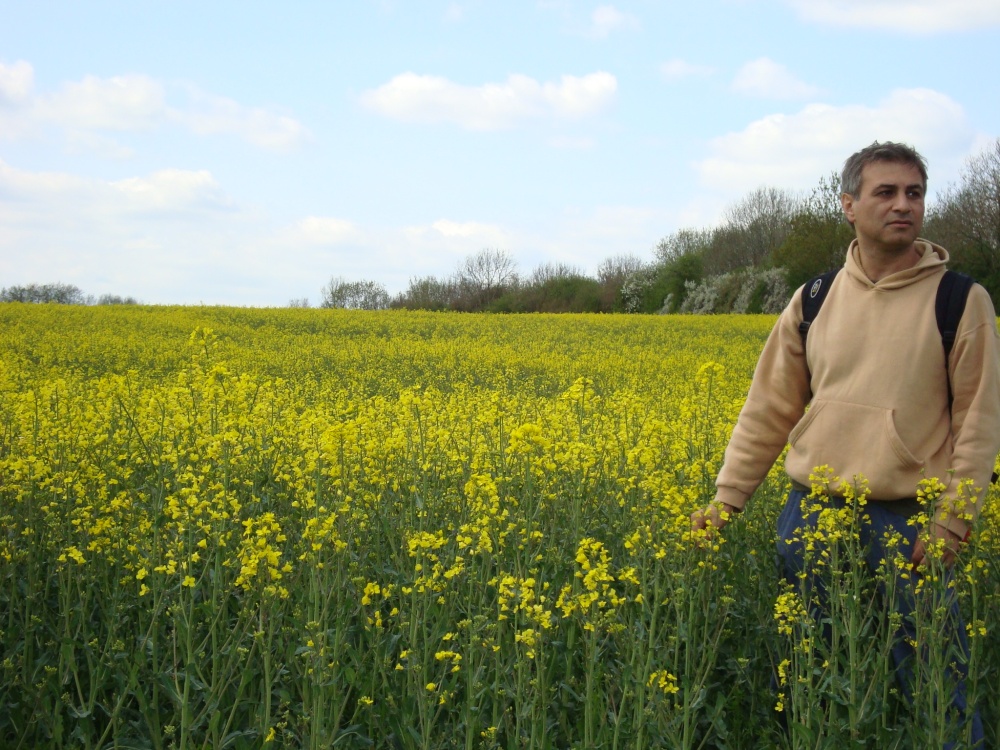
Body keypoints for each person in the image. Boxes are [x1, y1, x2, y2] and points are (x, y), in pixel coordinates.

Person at [690, 141, 1000, 745]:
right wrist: (727, 501)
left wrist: (953, 524)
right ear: (849, 206)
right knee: (813, 681)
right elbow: (768, 410)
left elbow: (979, 425)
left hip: (909, 521)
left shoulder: (960, 300)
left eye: (914, 193)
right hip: (811, 513)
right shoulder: (814, 297)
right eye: (885, 192)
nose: (903, 205)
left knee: (939, 685)